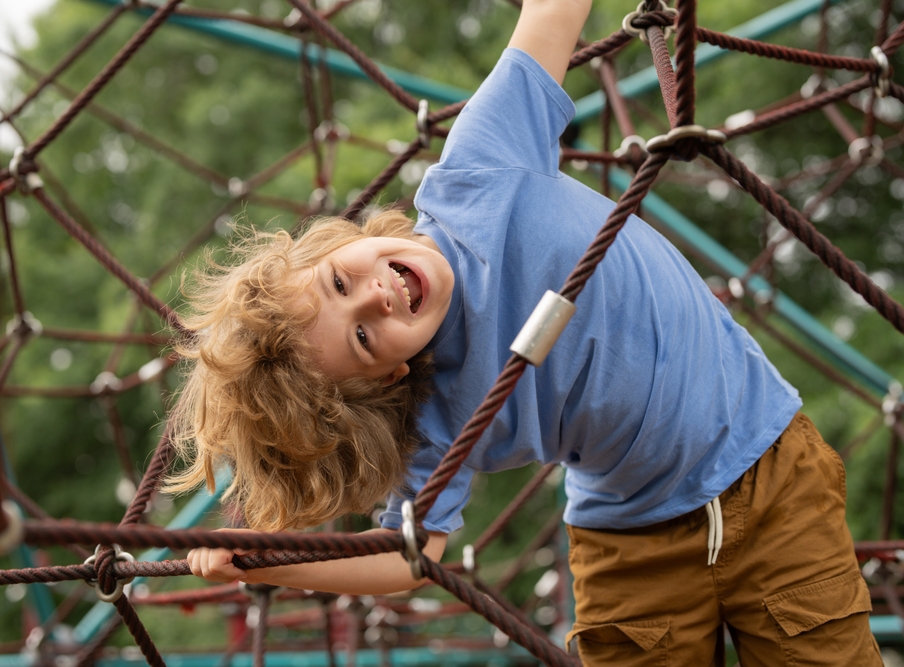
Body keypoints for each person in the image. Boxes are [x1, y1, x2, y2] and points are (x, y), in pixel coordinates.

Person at [175, 0, 883, 664]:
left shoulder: (476, 176)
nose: (378, 295)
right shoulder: (436, 417)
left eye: (339, 280)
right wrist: (277, 561)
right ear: (384, 378)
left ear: (335, 243)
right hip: (628, 542)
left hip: (766, 466)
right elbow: (409, 553)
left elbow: (553, 12)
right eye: (362, 336)